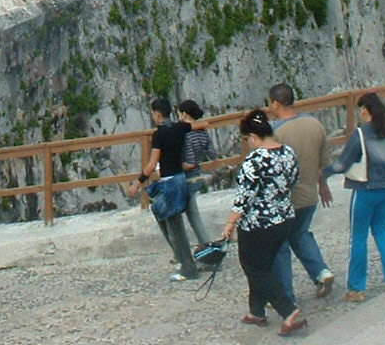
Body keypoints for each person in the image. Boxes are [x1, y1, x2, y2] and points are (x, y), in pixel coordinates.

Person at [220, 108, 306, 336]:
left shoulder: (254, 160)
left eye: (248, 139)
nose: (248, 143)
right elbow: (294, 178)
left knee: (253, 267)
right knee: (262, 265)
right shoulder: (288, 152)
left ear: (254, 137)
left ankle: (288, 311)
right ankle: (256, 311)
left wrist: (230, 223)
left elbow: (243, 197)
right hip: (284, 216)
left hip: (258, 223)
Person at [324, 91, 385, 301]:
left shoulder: (360, 134)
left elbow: (342, 164)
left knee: (359, 237)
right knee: (381, 230)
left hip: (365, 190)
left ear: (364, 110)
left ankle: (356, 288)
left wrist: (323, 173)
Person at [267, 82, 336, 302]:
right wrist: (323, 186)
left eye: (270, 103)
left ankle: (286, 296)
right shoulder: (315, 124)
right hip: (310, 195)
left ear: (276, 104)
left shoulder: (276, 133)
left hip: (286, 199)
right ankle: (321, 272)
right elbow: (322, 162)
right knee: (301, 233)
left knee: (280, 246)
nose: (269, 108)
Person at [125, 98, 198, 281]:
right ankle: (183, 261)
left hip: (170, 181)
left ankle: (187, 266)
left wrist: (137, 183)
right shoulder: (180, 127)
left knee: (174, 224)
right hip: (180, 178)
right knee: (164, 216)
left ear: (157, 114)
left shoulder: (160, 134)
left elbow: (152, 163)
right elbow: (201, 124)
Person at [176, 99, 214, 247]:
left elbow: (190, 162)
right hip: (198, 175)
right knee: (192, 215)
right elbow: (212, 153)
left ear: (184, 114)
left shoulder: (187, 134)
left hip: (188, 177)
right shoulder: (202, 132)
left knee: (192, 217)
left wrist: (175, 165)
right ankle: (203, 246)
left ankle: (205, 246)